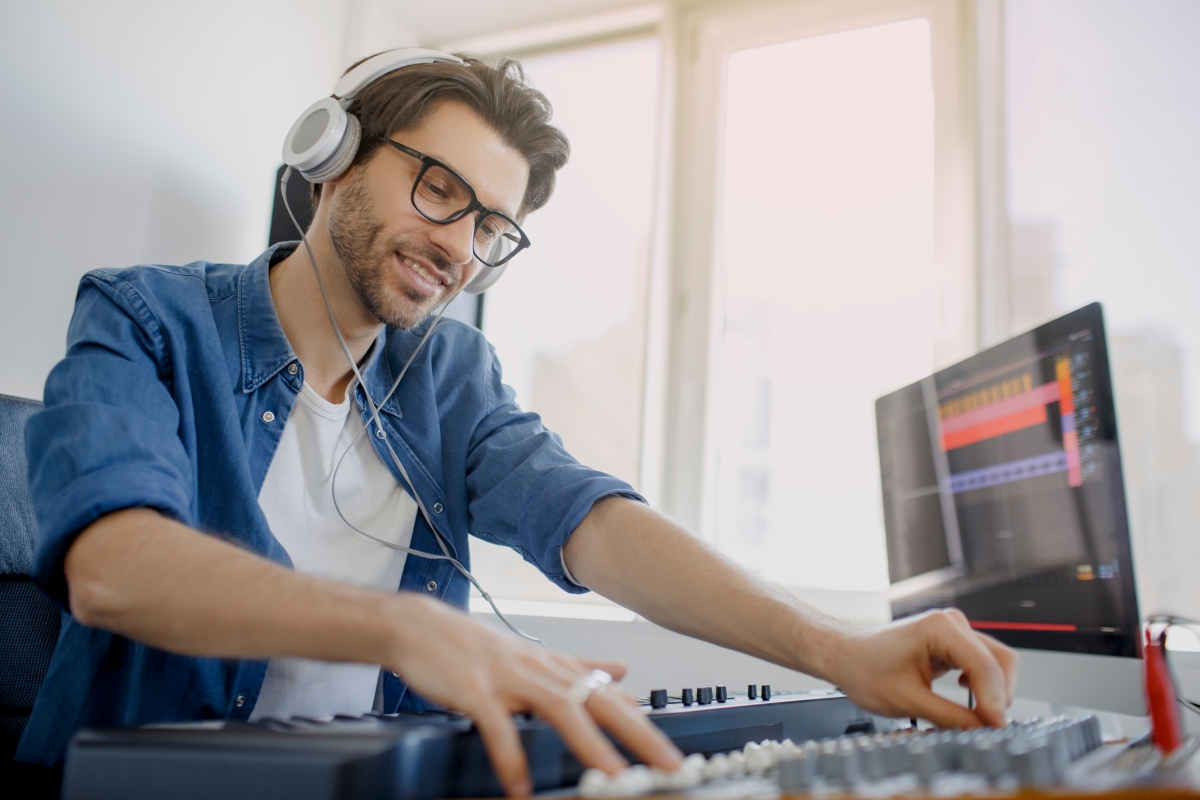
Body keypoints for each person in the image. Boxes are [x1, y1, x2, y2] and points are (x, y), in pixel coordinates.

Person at [16, 51, 1017, 795]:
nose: (458, 245)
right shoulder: (147, 317)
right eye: (439, 189)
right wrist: (400, 627)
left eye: (491, 225)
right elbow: (117, 566)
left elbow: (594, 523)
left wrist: (837, 649)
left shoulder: (448, 373)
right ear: (329, 156)